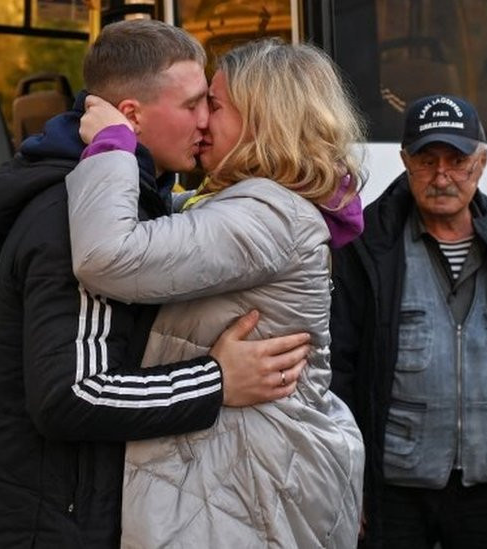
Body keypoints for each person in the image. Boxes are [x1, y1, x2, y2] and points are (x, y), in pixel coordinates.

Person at [0, 21, 310, 548]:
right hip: (48, 525)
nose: (206, 121)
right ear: (131, 117)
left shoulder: (132, 195)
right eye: (192, 105)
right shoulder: (74, 217)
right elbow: (72, 394)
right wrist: (217, 380)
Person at [63, 39, 365, 548]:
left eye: (216, 105)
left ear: (263, 120)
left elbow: (107, 257)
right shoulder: (259, 205)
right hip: (246, 473)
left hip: (243, 484)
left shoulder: (268, 213)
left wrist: (116, 145)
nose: (202, 118)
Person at [329, 94, 487, 548]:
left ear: (481, 163)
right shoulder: (366, 253)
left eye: (457, 161)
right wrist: (348, 480)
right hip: (393, 491)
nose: (442, 176)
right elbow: (337, 372)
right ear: (405, 161)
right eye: (427, 160)